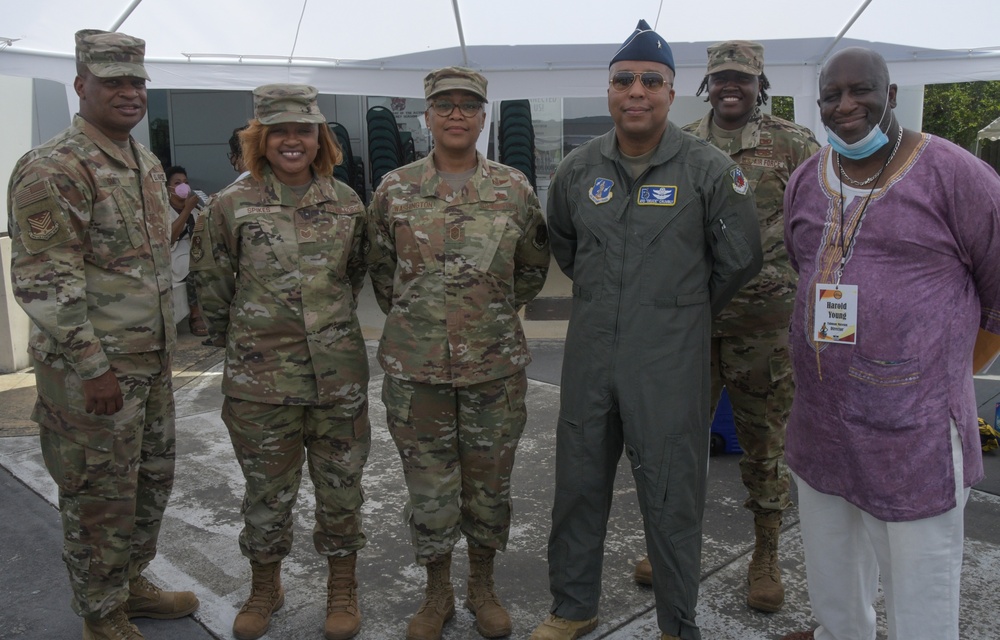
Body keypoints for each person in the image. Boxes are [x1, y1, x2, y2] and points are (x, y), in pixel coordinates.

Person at [531, 20, 762, 640]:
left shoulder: (709, 170)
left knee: (670, 494)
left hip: (669, 359)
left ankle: (676, 623)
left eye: (651, 81)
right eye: (624, 79)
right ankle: (572, 606)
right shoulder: (579, 170)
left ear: (672, 91)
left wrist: (677, 309)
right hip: (590, 354)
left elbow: (741, 258)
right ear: (609, 90)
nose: (637, 91)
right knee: (578, 483)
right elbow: (567, 244)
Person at [778, 47, 1000, 640]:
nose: (846, 105)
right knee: (830, 564)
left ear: (892, 95)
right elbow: (802, 263)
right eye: (832, 96)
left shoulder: (955, 175)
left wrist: (948, 374)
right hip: (822, 421)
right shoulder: (807, 178)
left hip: (913, 433)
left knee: (919, 577)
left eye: (862, 91)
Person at [6, 28, 199, 640]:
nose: (129, 92)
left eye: (137, 82)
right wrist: (93, 367)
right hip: (94, 373)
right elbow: (44, 280)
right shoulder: (54, 167)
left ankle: (129, 582)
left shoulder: (138, 159)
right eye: (113, 81)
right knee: (97, 493)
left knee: (146, 482)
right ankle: (99, 612)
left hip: (150, 363)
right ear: (80, 84)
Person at [633, 40, 821, 612]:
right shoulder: (679, 142)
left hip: (765, 325)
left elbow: (819, 225)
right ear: (706, 84)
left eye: (740, 78)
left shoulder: (793, 143)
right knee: (677, 442)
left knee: (764, 444)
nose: (729, 87)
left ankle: (765, 553)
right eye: (720, 78)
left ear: (759, 83)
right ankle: (670, 547)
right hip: (692, 324)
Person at [366, 66, 549, 640]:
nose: (455, 114)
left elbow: (532, 269)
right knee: (429, 486)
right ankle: (437, 591)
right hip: (416, 371)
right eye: (444, 105)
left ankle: (483, 586)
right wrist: (423, 321)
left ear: (483, 115)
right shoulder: (394, 189)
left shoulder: (513, 189)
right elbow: (380, 273)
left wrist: (486, 316)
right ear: (427, 116)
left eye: (468, 105)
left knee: (491, 484)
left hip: (493, 370)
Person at [188, 84, 370, 640]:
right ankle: (265, 586)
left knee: (342, 488)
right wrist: (245, 348)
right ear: (259, 139)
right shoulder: (230, 205)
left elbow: (353, 275)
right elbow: (212, 287)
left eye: (305, 129)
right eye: (280, 131)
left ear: (321, 139)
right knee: (267, 494)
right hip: (260, 384)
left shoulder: (347, 203)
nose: (293, 140)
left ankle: (342, 588)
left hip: (337, 379)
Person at [164, 165, 208, 336]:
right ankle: (195, 314)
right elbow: (170, 238)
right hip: (174, 256)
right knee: (194, 267)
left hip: (194, 251)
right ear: (168, 188)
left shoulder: (197, 209)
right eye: (177, 183)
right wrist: (187, 210)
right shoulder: (163, 210)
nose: (183, 186)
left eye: (186, 182)